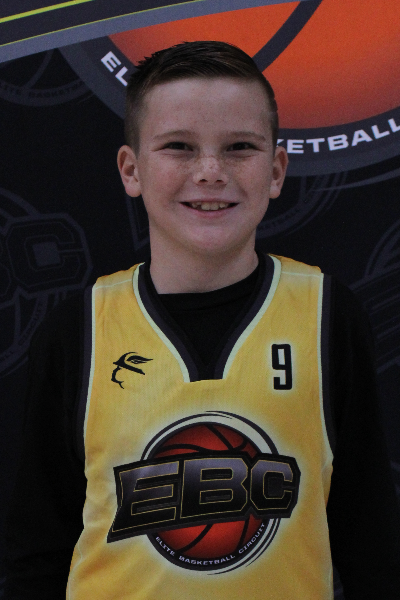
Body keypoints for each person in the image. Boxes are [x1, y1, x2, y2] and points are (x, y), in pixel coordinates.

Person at [5, 41, 400, 600]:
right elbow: (37, 555)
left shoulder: (327, 314)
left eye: (239, 147)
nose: (210, 171)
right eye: (179, 147)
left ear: (276, 170)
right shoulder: (80, 329)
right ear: (132, 169)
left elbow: (371, 544)